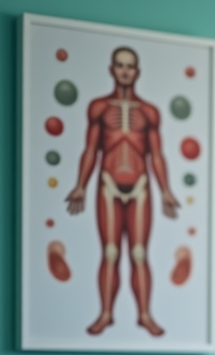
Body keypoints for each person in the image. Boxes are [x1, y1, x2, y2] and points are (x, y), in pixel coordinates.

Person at [66, 46, 181, 337]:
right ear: (112, 69)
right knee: (110, 251)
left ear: (137, 71)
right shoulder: (99, 108)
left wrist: (166, 189)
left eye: (130, 66)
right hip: (108, 183)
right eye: (120, 65)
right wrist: (80, 184)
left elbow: (156, 154)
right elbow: (91, 149)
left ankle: (144, 314)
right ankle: (106, 314)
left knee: (140, 253)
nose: (125, 70)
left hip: (141, 185)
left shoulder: (149, 112)